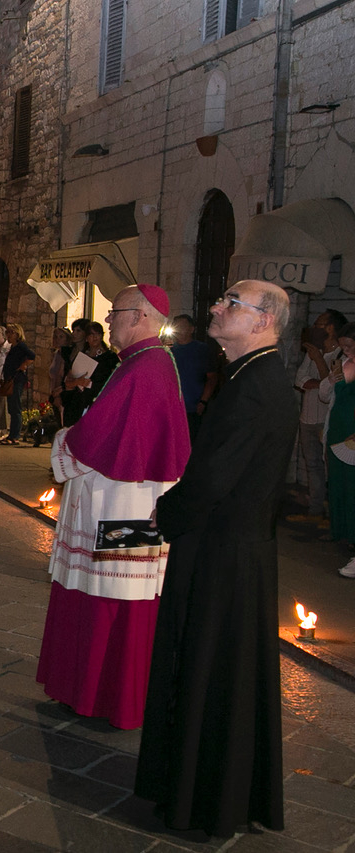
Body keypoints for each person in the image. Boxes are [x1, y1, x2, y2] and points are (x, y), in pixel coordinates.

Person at [135, 280, 297, 837]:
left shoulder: (256, 385)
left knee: (209, 671)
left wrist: (166, 512)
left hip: (223, 553)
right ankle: (210, 791)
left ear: (263, 321)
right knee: (219, 674)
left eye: (231, 302)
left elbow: (213, 477)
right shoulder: (249, 374)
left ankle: (203, 798)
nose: (216, 307)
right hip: (229, 547)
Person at [35, 284, 190, 730]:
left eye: (114, 312)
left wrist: (64, 439)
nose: (107, 320)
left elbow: (98, 436)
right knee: (100, 595)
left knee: (114, 600)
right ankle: (86, 691)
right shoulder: (141, 363)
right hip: (120, 502)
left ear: (140, 316)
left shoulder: (147, 366)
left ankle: (106, 696)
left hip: (125, 507)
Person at [289, 310, 346, 525]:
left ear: (331, 328)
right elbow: (299, 379)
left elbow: (331, 387)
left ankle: (334, 515)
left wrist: (319, 363)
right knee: (312, 466)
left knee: (331, 468)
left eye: (319, 324)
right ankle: (315, 511)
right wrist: (319, 382)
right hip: (307, 418)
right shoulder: (313, 352)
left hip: (326, 420)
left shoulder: (341, 355)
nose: (314, 328)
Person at [323, 323, 355, 550]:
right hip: (337, 426)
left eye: (349, 346)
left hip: (352, 427)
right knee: (336, 480)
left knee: (352, 483)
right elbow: (326, 396)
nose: (345, 350)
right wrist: (331, 380)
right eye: (343, 346)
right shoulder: (341, 364)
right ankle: (339, 530)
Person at [169, 314, 216, 440]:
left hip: (194, 409)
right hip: (174, 409)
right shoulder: (169, 353)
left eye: (182, 326)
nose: (179, 329)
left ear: (191, 329)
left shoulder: (201, 350)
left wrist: (203, 401)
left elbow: (212, 378)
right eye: (176, 326)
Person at [62, 322, 119, 425]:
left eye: (98, 334)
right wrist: (78, 381)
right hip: (79, 402)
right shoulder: (81, 357)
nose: (95, 337)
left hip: (100, 402)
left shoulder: (110, 357)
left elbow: (116, 381)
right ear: (87, 338)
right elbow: (67, 382)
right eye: (91, 334)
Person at [0, 323, 35, 445]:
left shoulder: (21, 346)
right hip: (10, 379)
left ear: (17, 334)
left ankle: (15, 436)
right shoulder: (13, 347)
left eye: (11, 332)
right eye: (7, 332)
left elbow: (32, 355)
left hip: (16, 379)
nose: (8, 335)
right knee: (12, 408)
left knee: (15, 408)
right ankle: (12, 434)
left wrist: (24, 365)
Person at [59, 318, 92, 426]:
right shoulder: (69, 351)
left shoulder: (88, 352)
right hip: (67, 391)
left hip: (79, 394)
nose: (74, 334)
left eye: (78, 331)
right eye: (73, 330)